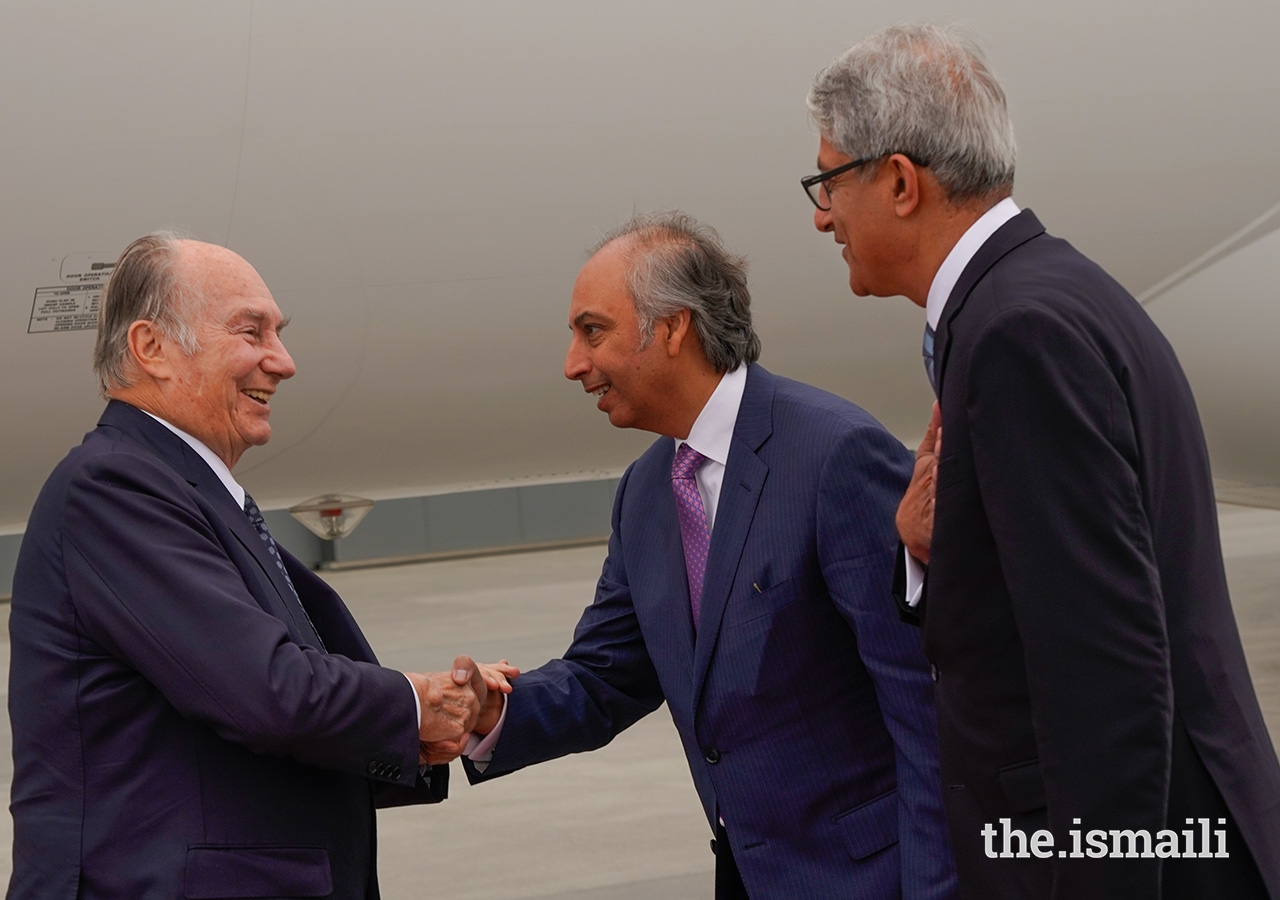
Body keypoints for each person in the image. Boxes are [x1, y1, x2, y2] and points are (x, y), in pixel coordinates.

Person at [804, 23, 1280, 899]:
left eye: (829, 181)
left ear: (901, 181)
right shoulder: (1042, 295)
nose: (822, 214)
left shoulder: (1018, 333)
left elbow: (1105, 666)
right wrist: (927, 555)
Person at [443, 212, 957, 900]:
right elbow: (606, 676)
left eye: (592, 330)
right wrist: (490, 712)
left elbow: (927, 705)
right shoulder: (647, 492)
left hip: (874, 880)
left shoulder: (833, 455)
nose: (573, 364)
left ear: (674, 328)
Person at [7, 233, 511, 899]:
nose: (284, 361)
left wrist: (423, 727)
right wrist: (415, 706)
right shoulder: (114, 489)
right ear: (150, 349)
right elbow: (266, 691)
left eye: (278, 333)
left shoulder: (182, 488)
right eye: (252, 331)